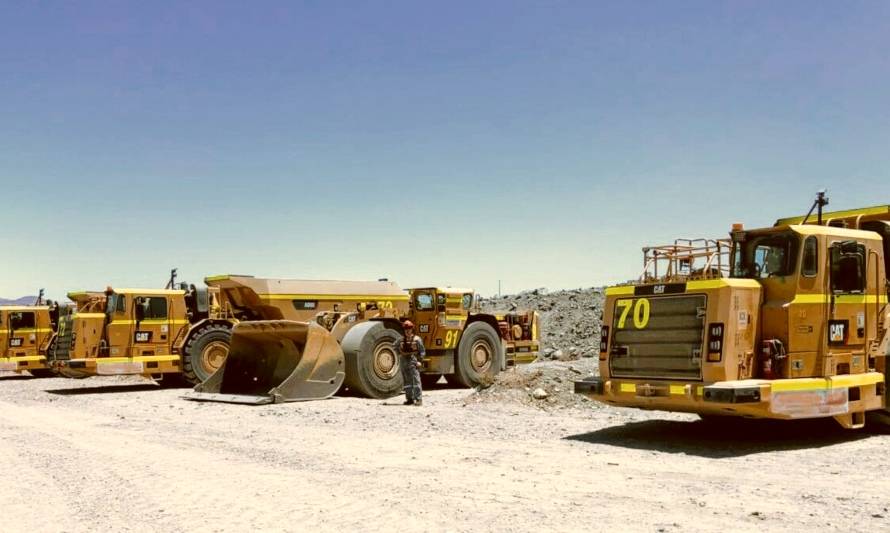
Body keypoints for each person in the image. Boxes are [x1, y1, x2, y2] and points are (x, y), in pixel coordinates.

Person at [395, 320, 425, 406]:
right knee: (407, 382)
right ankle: (409, 399)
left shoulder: (417, 340)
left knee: (416, 381)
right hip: (404, 362)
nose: (407, 331)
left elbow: (422, 351)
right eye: (406, 329)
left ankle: (418, 399)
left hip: (413, 361)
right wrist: (399, 352)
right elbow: (394, 346)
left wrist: (419, 361)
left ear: (412, 329)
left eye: (409, 329)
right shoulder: (400, 340)